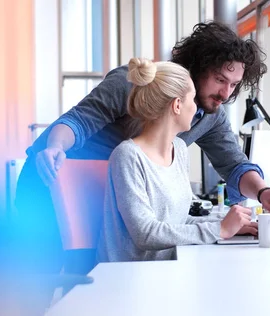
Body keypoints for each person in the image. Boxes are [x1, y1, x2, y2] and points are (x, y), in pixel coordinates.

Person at [14, 21, 270, 272]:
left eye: (234, 85)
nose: (226, 94)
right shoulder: (135, 85)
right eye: (219, 80)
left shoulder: (207, 115)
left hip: (110, 198)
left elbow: (234, 163)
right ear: (196, 70)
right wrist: (55, 148)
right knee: (44, 275)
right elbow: (78, 121)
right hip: (53, 177)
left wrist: (264, 191)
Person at [97, 58, 255, 262]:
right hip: (130, 277)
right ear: (177, 105)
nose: (196, 108)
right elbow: (145, 233)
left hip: (168, 269)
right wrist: (219, 229)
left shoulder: (179, 149)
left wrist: (230, 224)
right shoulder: (127, 156)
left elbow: (178, 221)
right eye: (193, 99)